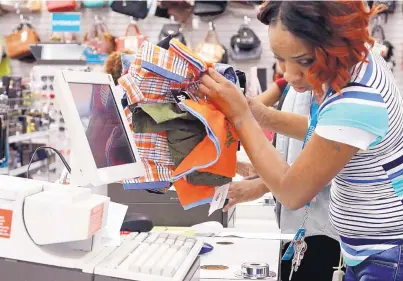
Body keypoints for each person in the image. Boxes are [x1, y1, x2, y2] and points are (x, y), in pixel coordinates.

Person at [198, 1, 403, 280]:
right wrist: (263, 115)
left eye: (304, 61)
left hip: (386, 255)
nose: (289, 75)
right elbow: (330, 133)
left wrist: (242, 117)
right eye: (280, 58)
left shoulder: (357, 97)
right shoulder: (358, 59)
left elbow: (292, 192)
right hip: (371, 251)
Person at [233, 82, 341, 281]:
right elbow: (295, 148)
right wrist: (263, 173)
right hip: (296, 227)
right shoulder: (295, 87)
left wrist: (262, 185)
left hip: (324, 229)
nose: (290, 72)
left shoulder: (344, 90)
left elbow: (329, 157)